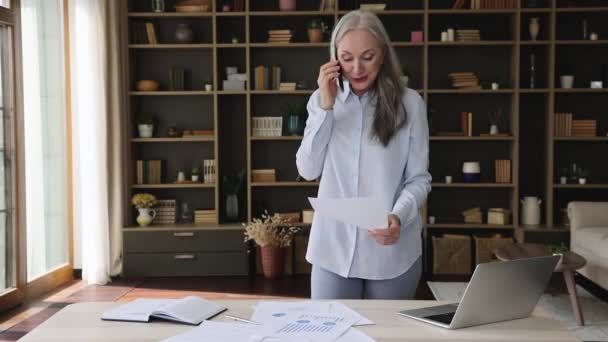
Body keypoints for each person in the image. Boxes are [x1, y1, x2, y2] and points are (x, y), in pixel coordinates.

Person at [295, 10, 431, 300]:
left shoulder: (411, 104)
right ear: (334, 58)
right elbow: (307, 169)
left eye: (367, 57)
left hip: (392, 253)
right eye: (346, 58)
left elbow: (418, 179)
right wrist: (326, 108)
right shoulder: (320, 102)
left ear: (382, 54)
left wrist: (399, 216)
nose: (357, 68)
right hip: (332, 248)